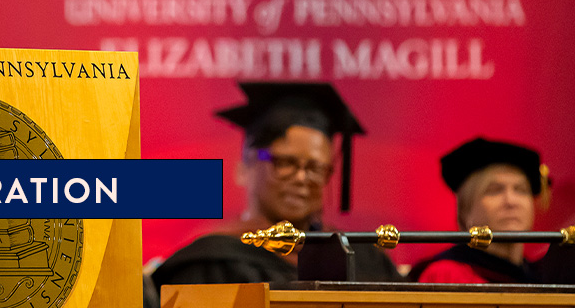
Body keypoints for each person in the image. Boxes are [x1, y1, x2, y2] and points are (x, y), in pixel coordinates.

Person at [150, 82, 401, 286]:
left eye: (315, 168)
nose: (301, 178)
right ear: (246, 165)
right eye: (285, 162)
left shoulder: (363, 258)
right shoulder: (211, 261)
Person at [409, 137, 547, 283]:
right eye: (494, 191)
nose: (511, 201)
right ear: (466, 212)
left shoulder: (543, 278)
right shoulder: (445, 275)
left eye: (521, 190)